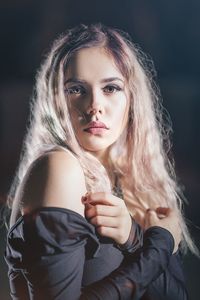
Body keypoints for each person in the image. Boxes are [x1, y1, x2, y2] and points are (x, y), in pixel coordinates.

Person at [4, 23, 197, 300]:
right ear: (55, 100)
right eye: (76, 89)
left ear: (132, 99)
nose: (94, 105)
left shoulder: (131, 184)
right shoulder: (60, 167)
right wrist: (160, 243)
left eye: (110, 88)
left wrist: (134, 238)